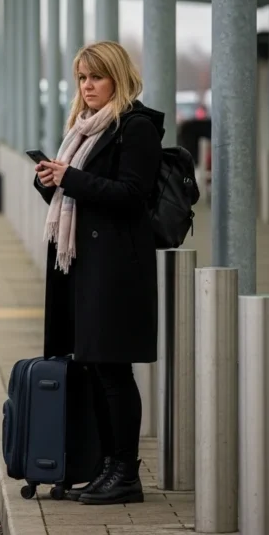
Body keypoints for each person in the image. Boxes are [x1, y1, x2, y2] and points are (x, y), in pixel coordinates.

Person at [32, 41, 163, 505]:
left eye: (97, 77)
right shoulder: (83, 129)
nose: (87, 87)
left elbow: (130, 196)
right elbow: (79, 198)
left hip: (116, 271)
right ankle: (107, 465)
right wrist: (51, 180)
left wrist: (70, 178)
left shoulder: (136, 127)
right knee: (93, 367)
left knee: (113, 372)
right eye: (82, 78)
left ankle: (126, 472)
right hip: (85, 267)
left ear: (118, 79)